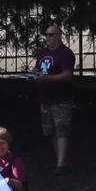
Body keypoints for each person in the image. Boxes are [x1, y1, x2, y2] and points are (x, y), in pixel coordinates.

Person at [33, 23, 74, 175]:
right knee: (50, 131)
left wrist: (47, 79)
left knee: (61, 131)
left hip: (61, 99)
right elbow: (37, 68)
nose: (48, 38)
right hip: (45, 98)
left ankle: (61, 165)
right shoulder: (43, 52)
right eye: (46, 35)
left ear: (58, 36)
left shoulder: (65, 53)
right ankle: (60, 160)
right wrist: (34, 74)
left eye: (51, 35)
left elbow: (67, 75)